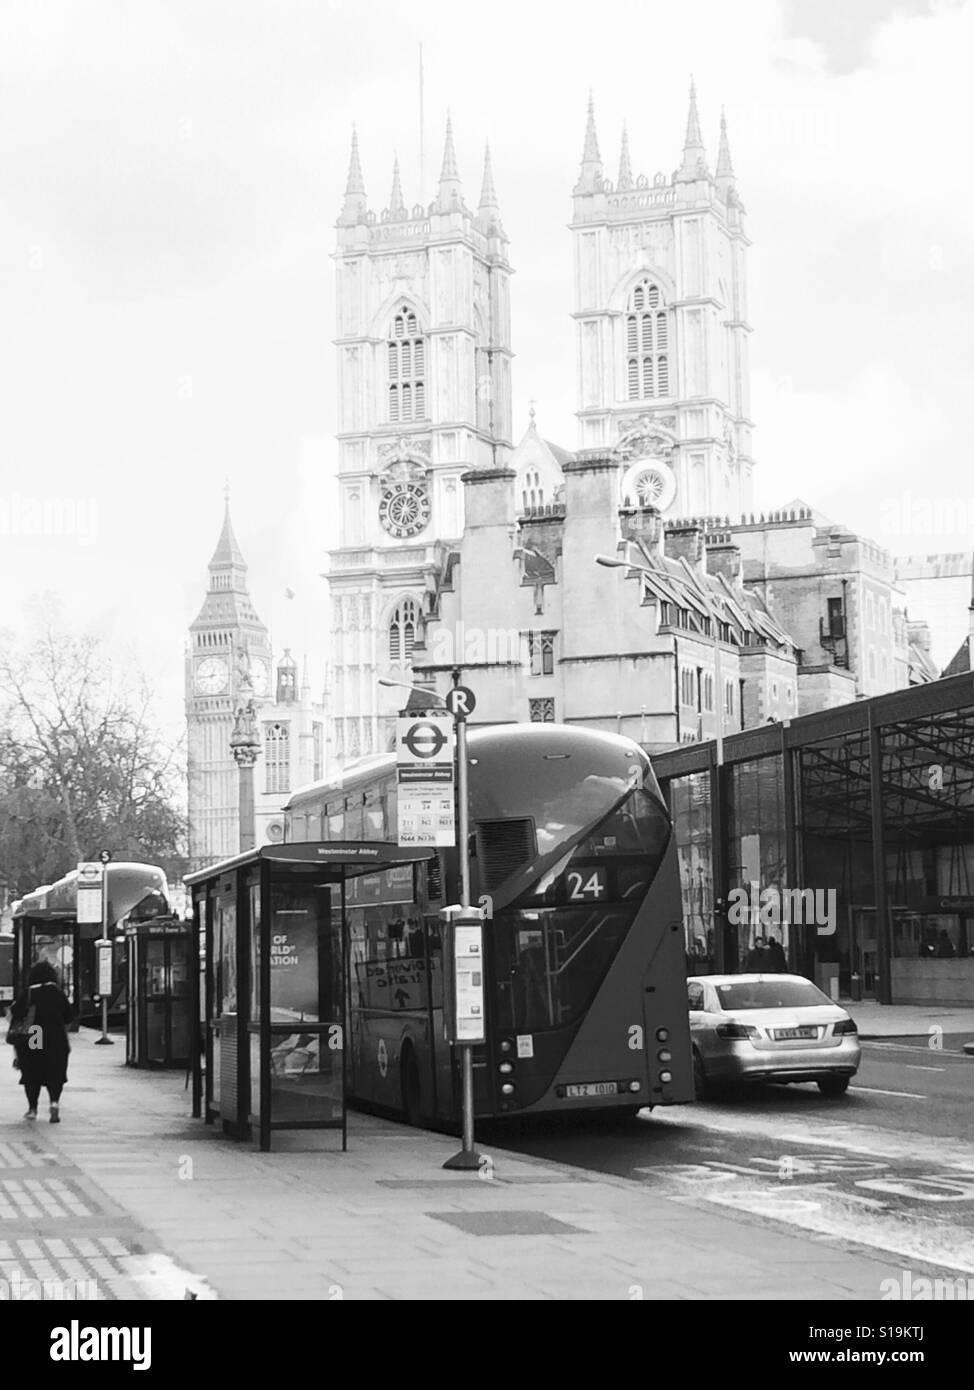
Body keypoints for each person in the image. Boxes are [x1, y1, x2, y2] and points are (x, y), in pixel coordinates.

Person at [8, 961, 72, 1123]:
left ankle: (32, 1109)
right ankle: (54, 1103)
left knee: (32, 1073)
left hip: (34, 1037)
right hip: (56, 1040)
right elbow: (69, 1016)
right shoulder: (58, 993)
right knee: (56, 1073)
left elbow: (16, 1014)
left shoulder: (28, 993)